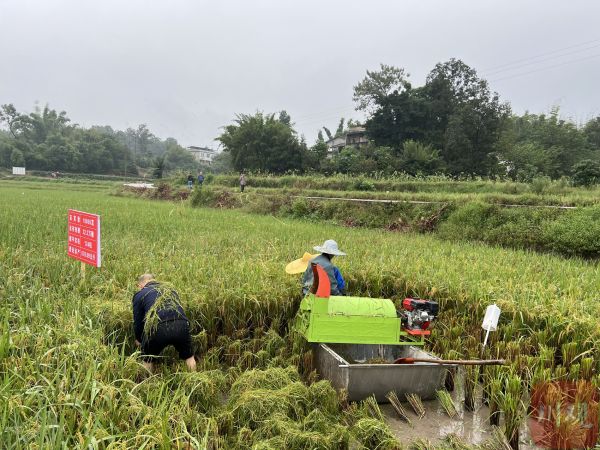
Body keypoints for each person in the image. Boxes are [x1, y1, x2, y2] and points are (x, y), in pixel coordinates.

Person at [132, 274, 196, 373]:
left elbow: (138, 321)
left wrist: (139, 339)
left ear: (140, 285)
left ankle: (147, 383)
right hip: (181, 324)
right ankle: (194, 379)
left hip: (157, 327)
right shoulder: (170, 290)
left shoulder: (140, 294)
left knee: (148, 358)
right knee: (189, 356)